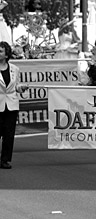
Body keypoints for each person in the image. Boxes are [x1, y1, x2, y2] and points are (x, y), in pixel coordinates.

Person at [0, 41, 29, 169]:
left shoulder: (14, 69)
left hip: (11, 104)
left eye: (0, 51)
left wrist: (21, 88)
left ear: (6, 54)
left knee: (9, 133)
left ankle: (5, 160)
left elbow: (16, 86)